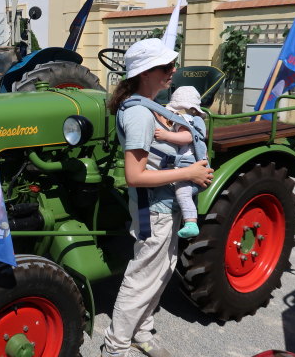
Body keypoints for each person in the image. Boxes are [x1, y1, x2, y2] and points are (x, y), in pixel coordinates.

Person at [102, 38, 213, 357]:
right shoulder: (138, 113)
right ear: (146, 72)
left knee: (160, 271)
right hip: (154, 211)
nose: (173, 71)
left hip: (164, 207)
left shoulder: (148, 104)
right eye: (166, 67)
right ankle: (116, 346)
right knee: (141, 279)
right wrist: (188, 174)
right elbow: (134, 176)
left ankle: (142, 331)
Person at [154, 86, 208, 239]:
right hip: (188, 162)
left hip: (190, 164)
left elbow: (187, 137)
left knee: (182, 192)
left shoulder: (185, 119)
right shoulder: (192, 119)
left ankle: (191, 223)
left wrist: (166, 136)